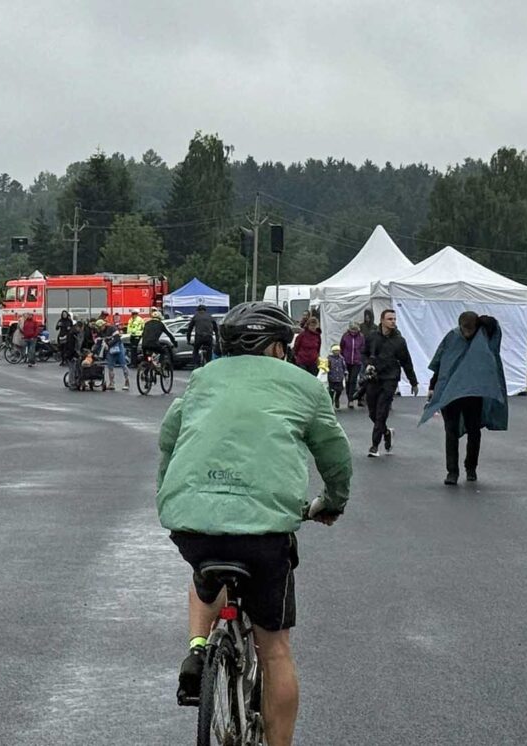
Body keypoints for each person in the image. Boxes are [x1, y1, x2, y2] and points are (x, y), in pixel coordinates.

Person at [157, 302, 351, 746]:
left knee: (206, 568)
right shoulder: (302, 385)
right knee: (275, 646)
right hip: (264, 534)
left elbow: (169, 436)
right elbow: (334, 454)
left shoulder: (204, 377)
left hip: (191, 521)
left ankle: (198, 649)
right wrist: (333, 502)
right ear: (277, 346)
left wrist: (168, 493)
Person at [420, 312, 509, 485]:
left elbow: (494, 331)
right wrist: (432, 387)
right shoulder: (452, 337)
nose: (467, 333)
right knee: (451, 432)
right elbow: (442, 364)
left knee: (474, 432)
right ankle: (452, 472)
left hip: (473, 394)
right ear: (459, 326)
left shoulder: (482, 338)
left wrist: (486, 323)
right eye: (465, 329)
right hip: (450, 394)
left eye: (471, 329)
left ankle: (471, 467)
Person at [362, 309, 418, 458]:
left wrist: (413, 382)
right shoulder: (372, 337)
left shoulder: (399, 341)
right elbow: (364, 353)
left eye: (394, 319)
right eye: (389, 319)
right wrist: (367, 364)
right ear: (382, 320)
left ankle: (374, 446)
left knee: (382, 412)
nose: (393, 321)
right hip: (374, 377)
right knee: (372, 413)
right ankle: (386, 432)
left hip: (390, 378)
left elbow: (406, 361)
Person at [341, 320, 366, 409]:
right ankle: (349, 397)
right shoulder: (345, 336)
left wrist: (359, 356)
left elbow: (363, 348)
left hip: (356, 362)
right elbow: (342, 347)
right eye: (352, 329)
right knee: (347, 380)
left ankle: (351, 399)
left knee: (353, 380)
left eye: (355, 329)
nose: (353, 331)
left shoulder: (361, 337)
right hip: (347, 361)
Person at [100, 313, 127, 391]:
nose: (100, 329)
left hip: (118, 347)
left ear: (104, 325)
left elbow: (117, 338)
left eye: (100, 327)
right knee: (110, 366)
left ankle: (126, 382)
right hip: (110, 349)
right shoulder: (101, 331)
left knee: (123, 364)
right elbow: (99, 341)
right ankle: (112, 383)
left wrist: (108, 344)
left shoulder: (112, 328)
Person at [326, 344, 346, 409]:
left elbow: (344, 366)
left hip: (339, 377)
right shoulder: (329, 358)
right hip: (332, 377)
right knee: (331, 391)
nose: (337, 352)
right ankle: (330, 401)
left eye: (338, 351)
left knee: (339, 390)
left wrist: (345, 372)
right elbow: (326, 366)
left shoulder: (341, 358)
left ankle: (337, 398)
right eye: (335, 351)